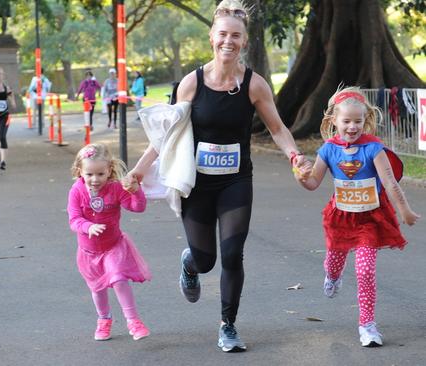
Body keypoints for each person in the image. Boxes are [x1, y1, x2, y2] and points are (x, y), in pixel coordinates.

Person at [123, 0, 308, 352]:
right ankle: (189, 264)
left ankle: (228, 325)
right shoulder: (191, 83)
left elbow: (278, 128)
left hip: (236, 180)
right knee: (206, 259)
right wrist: (139, 170)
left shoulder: (255, 85)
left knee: (233, 252)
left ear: (244, 41)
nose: (229, 41)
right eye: (222, 34)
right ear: (212, 37)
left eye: (235, 36)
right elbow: (167, 136)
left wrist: (295, 155)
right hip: (198, 182)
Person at [293, 86, 420, 347]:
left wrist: (404, 210)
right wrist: (302, 177)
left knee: (365, 270)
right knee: (333, 263)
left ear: (366, 121)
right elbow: (314, 182)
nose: (353, 127)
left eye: (358, 121)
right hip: (341, 218)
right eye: (347, 121)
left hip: (369, 219)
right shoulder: (328, 149)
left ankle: (367, 325)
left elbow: (391, 183)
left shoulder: (373, 148)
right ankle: (332, 276)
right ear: (333, 121)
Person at [67, 143, 152, 342]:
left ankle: (133, 321)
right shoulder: (77, 191)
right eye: (89, 175)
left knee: (118, 278)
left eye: (100, 174)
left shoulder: (115, 188)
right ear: (80, 172)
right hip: (88, 252)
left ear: (109, 171)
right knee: (97, 289)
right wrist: (88, 227)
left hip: (114, 246)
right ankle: (104, 319)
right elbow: (74, 219)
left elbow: (137, 207)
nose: (94, 180)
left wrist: (136, 191)